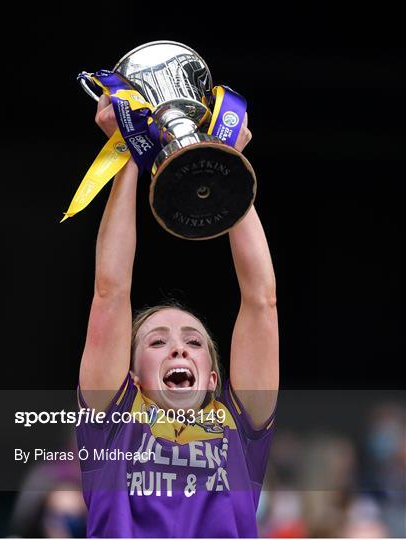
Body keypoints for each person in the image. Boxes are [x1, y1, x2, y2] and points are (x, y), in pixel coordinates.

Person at [76, 93, 279, 538]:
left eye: (193, 341)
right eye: (156, 341)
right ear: (128, 373)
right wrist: (127, 154)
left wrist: (227, 174)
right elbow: (110, 293)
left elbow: (261, 301)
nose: (178, 348)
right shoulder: (113, 424)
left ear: (211, 377)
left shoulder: (240, 432)